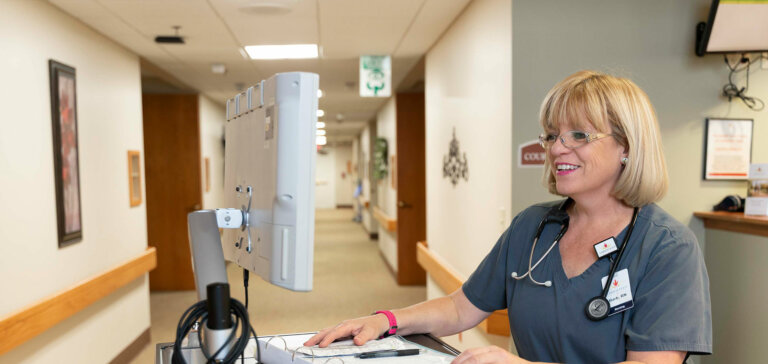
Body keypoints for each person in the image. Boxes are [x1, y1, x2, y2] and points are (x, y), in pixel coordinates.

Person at [304, 71, 712, 364]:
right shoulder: (534, 228)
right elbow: (461, 308)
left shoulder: (666, 249)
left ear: (627, 146)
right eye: (552, 135)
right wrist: (385, 321)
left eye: (580, 136)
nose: (557, 149)